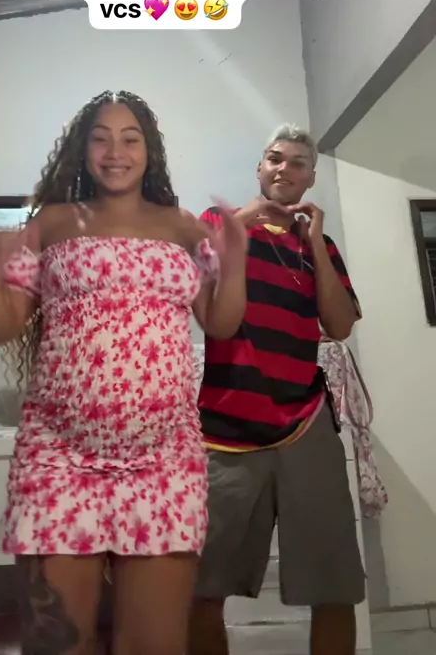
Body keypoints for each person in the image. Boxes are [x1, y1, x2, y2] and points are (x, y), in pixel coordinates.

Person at [0, 90, 247, 655]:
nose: (115, 152)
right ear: (83, 149)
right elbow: (0, 327)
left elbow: (221, 323)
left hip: (163, 463)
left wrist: (236, 260)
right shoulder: (52, 223)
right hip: (59, 460)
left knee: (154, 645)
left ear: (149, 151)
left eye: (129, 138)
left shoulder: (183, 227)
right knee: (57, 643)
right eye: (100, 138)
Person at [188, 124, 365, 655]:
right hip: (226, 428)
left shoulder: (320, 245)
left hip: (307, 422)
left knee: (334, 586)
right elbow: (203, 296)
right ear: (260, 168)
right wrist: (244, 221)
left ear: (310, 179)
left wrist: (315, 244)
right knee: (200, 588)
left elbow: (339, 325)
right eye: (274, 158)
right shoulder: (218, 222)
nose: (284, 168)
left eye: (297, 163)